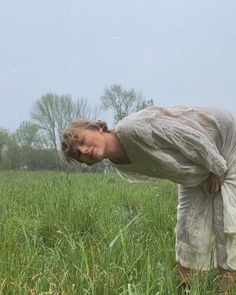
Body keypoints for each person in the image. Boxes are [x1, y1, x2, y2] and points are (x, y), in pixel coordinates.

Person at [61, 105, 236, 292]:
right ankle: (188, 289)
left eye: (82, 140)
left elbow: (191, 138)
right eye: (78, 154)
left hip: (221, 143)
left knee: (224, 219)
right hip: (196, 167)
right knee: (188, 224)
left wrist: (217, 168)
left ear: (97, 128)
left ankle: (225, 290)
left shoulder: (133, 129)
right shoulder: (117, 163)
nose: (84, 150)